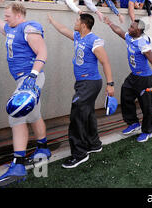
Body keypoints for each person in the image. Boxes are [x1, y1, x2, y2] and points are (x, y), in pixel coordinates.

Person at [0, 2, 50, 187]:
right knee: (34, 114)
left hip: (30, 77)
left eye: (8, 15)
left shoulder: (28, 27)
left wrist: (33, 76)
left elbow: (42, 51)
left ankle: (18, 165)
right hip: (23, 78)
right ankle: (43, 148)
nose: (5, 18)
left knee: (15, 115)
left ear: (19, 14)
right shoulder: (12, 28)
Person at [48, 13, 115, 168]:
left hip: (90, 83)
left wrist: (110, 84)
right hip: (83, 83)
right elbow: (64, 30)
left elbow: (105, 62)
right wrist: (52, 21)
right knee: (88, 113)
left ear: (84, 25)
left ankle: (79, 154)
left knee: (77, 114)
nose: (75, 22)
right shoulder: (78, 37)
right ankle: (94, 144)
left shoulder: (93, 40)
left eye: (77, 20)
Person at [103, 17, 152, 143]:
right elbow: (119, 31)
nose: (129, 29)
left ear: (139, 30)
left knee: (146, 106)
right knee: (125, 94)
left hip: (145, 78)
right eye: (130, 26)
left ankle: (147, 131)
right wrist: (109, 22)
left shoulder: (143, 44)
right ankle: (133, 123)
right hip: (134, 76)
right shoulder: (130, 36)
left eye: (132, 27)